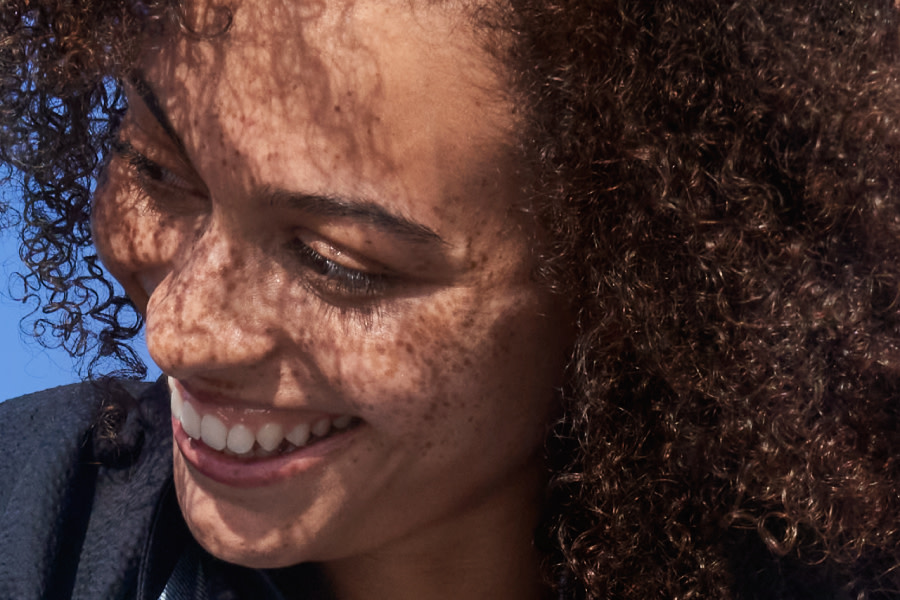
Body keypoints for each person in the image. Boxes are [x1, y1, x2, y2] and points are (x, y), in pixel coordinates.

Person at [1, 0, 898, 598]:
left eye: (337, 262)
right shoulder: (32, 527)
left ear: (635, 282)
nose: (179, 336)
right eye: (157, 169)